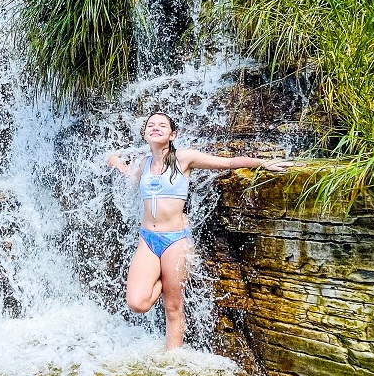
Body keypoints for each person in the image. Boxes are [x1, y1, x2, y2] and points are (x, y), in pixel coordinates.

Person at [107, 111, 292, 350]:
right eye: (150, 125)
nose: (155, 127)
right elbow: (129, 177)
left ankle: (173, 361)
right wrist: (116, 162)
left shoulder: (184, 158)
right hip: (148, 240)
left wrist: (263, 163)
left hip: (176, 241)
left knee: (173, 307)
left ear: (172, 134)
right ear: (144, 134)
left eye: (162, 125)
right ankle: (165, 279)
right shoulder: (144, 164)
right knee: (137, 303)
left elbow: (228, 163)